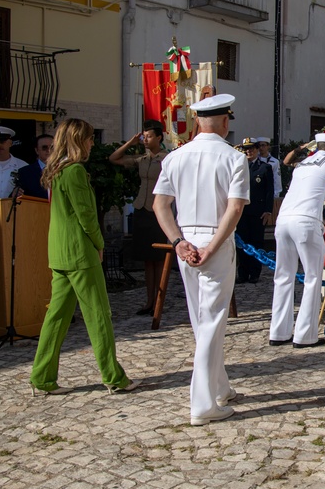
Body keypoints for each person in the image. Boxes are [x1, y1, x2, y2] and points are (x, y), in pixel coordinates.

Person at [153, 94, 249, 426]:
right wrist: (212, 247)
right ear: (224, 121)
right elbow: (234, 209)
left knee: (200, 318)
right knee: (211, 321)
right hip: (215, 238)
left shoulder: (175, 156)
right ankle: (203, 404)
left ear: (197, 121)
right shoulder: (234, 158)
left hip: (186, 238)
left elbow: (160, 205)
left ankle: (219, 386)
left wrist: (178, 241)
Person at [29, 119, 139, 396]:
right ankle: (113, 376)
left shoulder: (56, 169)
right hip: (80, 252)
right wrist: (99, 244)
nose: (92, 143)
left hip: (59, 252)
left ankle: (42, 376)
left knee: (56, 318)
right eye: (90, 138)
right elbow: (86, 215)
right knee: (99, 315)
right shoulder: (75, 170)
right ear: (79, 140)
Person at [269, 133, 325, 348]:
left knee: (283, 276)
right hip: (307, 221)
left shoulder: (302, 164)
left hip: (283, 220)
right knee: (312, 277)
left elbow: (288, 162)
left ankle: (278, 332)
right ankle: (305, 335)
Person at [109, 120, 169, 315]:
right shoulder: (141, 159)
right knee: (146, 259)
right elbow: (114, 158)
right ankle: (148, 301)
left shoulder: (167, 158)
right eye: (144, 136)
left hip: (158, 211)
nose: (145, 139)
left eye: (149, 136)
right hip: (142, 210)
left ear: (159, 137)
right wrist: (130, 143)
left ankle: (160, 301)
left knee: (158, 258)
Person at [234, 138, 273, 284]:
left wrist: (268, 210)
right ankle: (242, 273)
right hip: (241, 211)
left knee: (256, 242)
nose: (249, 152)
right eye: (246, 149)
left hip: (258, 211)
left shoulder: (264, 168)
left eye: (252, 149)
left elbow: (269, 191)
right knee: (242, 243)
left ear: (257, 150)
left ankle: (255, 273)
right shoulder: (239, 167)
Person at [17, 134, 54, 199]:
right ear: (37, 150)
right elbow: (18, 195)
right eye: (44, 147)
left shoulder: (64, 169)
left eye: (52, 147)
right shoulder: (25, 172)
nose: (49, 150)